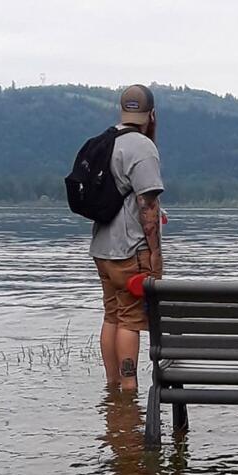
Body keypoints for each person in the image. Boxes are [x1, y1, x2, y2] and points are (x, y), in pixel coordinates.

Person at [92, 85, 164, 394]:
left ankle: (113, 389)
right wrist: (155, 254)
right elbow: (147, 205)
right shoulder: (142, 147)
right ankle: (130, 388)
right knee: (131, 320)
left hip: (102, 249)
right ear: (151, 114)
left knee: (112, 315)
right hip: (130, 251)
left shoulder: (107, 141)